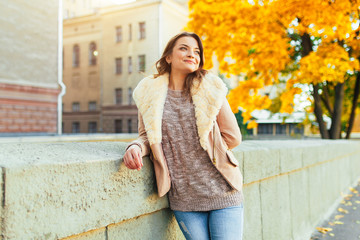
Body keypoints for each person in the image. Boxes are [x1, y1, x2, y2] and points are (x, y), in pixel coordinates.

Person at [123, 32, 244, 240]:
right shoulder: (148, 92)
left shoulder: (211, 88)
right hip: (184, 199)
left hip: (223, 192)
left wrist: (203, 148)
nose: (192, 54)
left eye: (197, 51)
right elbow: (146, 137)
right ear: (168, 57)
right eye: (184, 48)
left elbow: (232, 137)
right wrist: (134, 147)